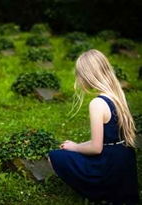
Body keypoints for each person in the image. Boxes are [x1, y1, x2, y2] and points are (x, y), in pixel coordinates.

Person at [48, 49, 140, 205]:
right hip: (124, 162)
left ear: (87, 75)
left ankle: (99, 193)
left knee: (55, 156)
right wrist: (77, 145)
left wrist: (74, 147)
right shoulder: (118, 96)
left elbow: (96, 148)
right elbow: (106, 142)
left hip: (108, 166)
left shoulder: (97, 103)